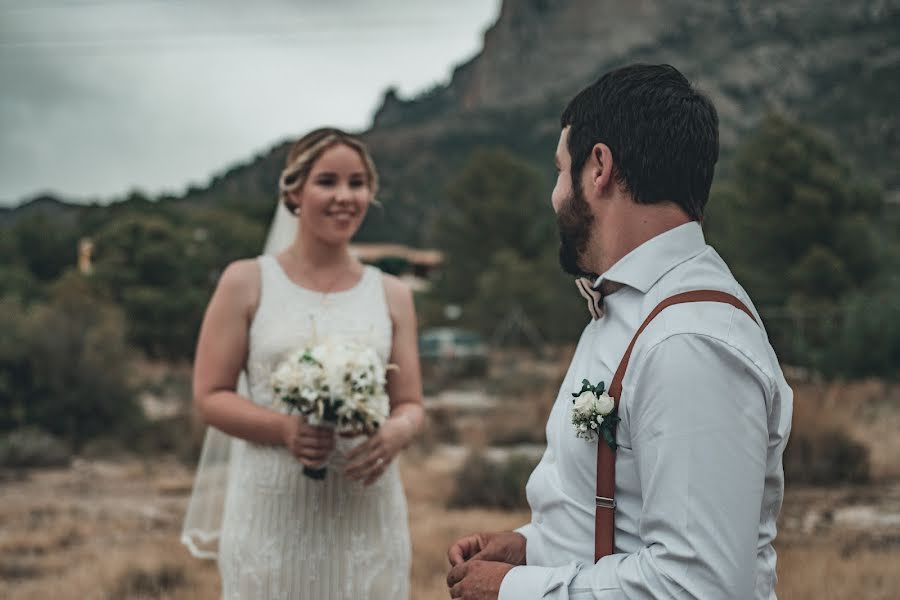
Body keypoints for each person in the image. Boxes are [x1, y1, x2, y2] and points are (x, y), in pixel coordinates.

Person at [447, 64, 793, 599]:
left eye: (561, 171)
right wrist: (532, 546)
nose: (555, 195)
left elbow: (697, 586)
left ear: (600, 167)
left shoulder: (689, 342)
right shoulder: (629, 306)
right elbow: (622, 508)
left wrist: (515, 590)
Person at [185, 127, 425, 599]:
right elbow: (210, 396)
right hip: (273, 518)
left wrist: (397, 432)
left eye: (357, 183)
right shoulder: (246, 281)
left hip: (366, 517)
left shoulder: (392, 293)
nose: (344, 196)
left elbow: (412, 402)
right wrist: (285, 430)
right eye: (327, 181)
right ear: (294, 192)